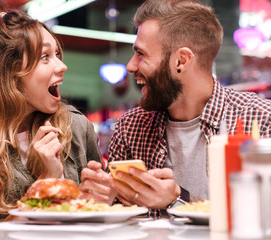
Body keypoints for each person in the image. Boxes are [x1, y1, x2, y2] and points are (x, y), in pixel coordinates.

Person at [79, 0, 271, 218]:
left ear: (181, 60)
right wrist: (102, 201)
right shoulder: (130, 127)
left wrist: (175, 203)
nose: (130, 66)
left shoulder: (260, 120)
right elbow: (121, 219)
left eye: (140, 54)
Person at [0, 7, 102, 227]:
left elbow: (96, 217)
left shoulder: (77, 126)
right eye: (45, 57)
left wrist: (102, 199)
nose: (62, 66)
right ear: (9, 73)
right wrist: (46, 182)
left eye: (57, 54)